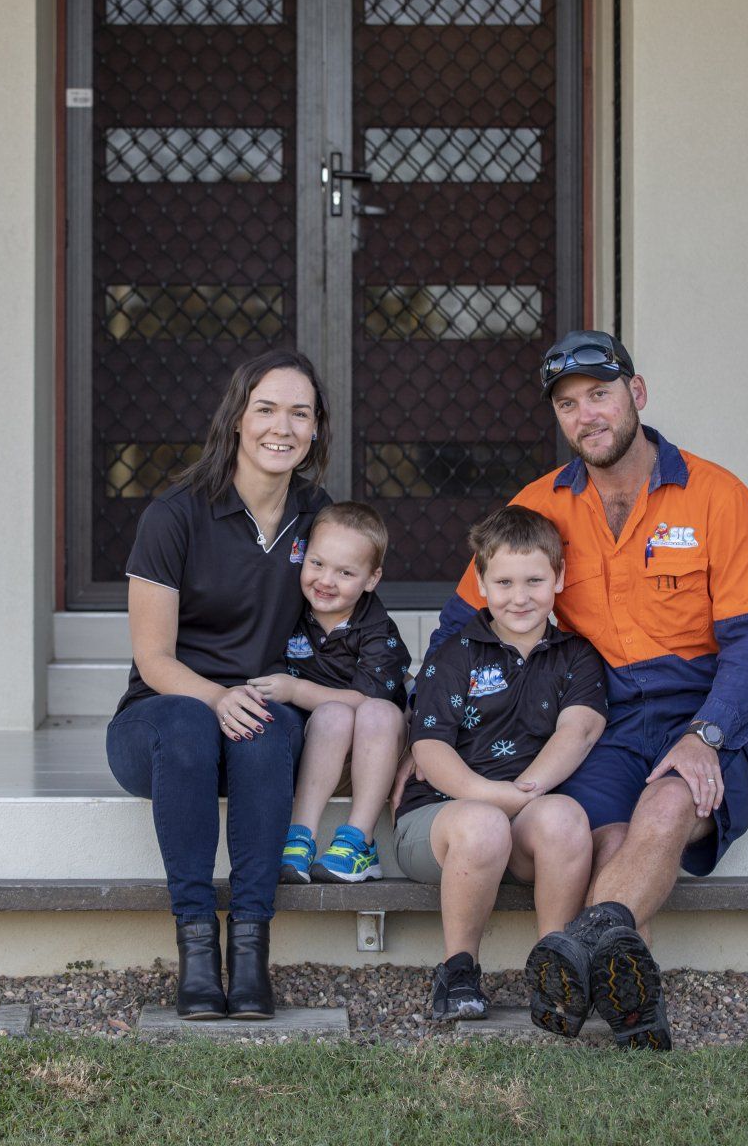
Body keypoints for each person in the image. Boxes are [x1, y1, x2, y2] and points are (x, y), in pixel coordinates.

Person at [426, 329, 748, 1049]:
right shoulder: (539, 506)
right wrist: (424, 727)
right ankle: (633, 1012)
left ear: (636, 395)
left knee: (668, 800)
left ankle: (573, 954)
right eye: (567, 404)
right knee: (609, 836)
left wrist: (708, 734)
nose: (586, 415)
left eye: (600, 394)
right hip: (602, 715)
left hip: (702, 708)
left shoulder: (717, 495)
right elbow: (458, 627)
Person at [105, 350, 332, 1021]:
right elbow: (153, 657)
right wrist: (215, 697)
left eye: (300, 413)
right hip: (165, 719)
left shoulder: (319, 518)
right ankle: (198, 951)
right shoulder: (175, 514)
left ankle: (252, 954)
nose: (281, 427)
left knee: (262, 730)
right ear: (237, 418)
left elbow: (350, 626)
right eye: (266, 408)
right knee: (188, 723)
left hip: (260, 714)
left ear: (317, 429)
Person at [395, 506, 607, 1023]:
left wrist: (527, 789)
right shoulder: (455, 653)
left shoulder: (576, 655)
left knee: (566, 818)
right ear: (482, 585)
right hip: (443, 822)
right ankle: (458, 970)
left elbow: (577, 730)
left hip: (525, 807)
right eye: (505, 582)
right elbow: (430, 751)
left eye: (535, 580)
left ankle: (554, 966)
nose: (520, 596)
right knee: (485, 824)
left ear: (558, 578)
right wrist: (495, 797)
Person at [246, 501, 410, 884]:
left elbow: (368, 699)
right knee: (333, 714)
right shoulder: (289, 611)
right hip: (318, 752)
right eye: (317, 564)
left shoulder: (378, 631)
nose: (326, 580)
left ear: (372, 579)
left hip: (376, 755)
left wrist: (295, 689)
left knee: (376, 712)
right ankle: (299, 838)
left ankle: (358, 842)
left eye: (346, 572)